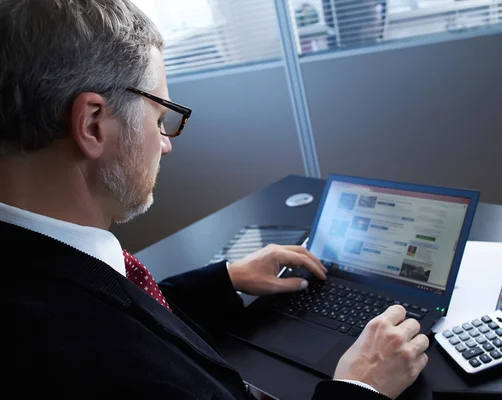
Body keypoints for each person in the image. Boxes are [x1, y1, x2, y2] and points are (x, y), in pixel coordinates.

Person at [0, 1, 429, 399]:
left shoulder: (37, 266)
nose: (165, 144)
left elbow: (135, 311)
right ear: (94, 124)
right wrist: (361, 386)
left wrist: (226, 279)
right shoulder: (90, 357)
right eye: (160, 118)